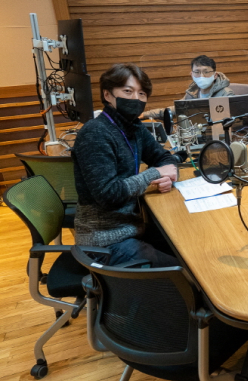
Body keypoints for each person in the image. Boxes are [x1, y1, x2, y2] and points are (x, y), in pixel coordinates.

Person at [72, 63, 180, 267]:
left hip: (132, 230)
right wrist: (154, 173)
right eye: (128, 91)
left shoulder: (134, 128)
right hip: (104, 243)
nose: (136, 99)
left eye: (142, 93)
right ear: (107, 95)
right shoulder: (95, 133)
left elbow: (166, 159)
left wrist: (168, 177)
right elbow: (108, 194)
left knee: (188, 248)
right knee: (186, 272)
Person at [140, 54, 235, 120]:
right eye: (197, 72)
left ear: (215, 75)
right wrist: (145, 114)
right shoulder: (192, 93)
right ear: (192, 74)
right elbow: (175, 109)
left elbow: (233, 120)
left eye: (206, 72)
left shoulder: (226, 94)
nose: (201, 76)